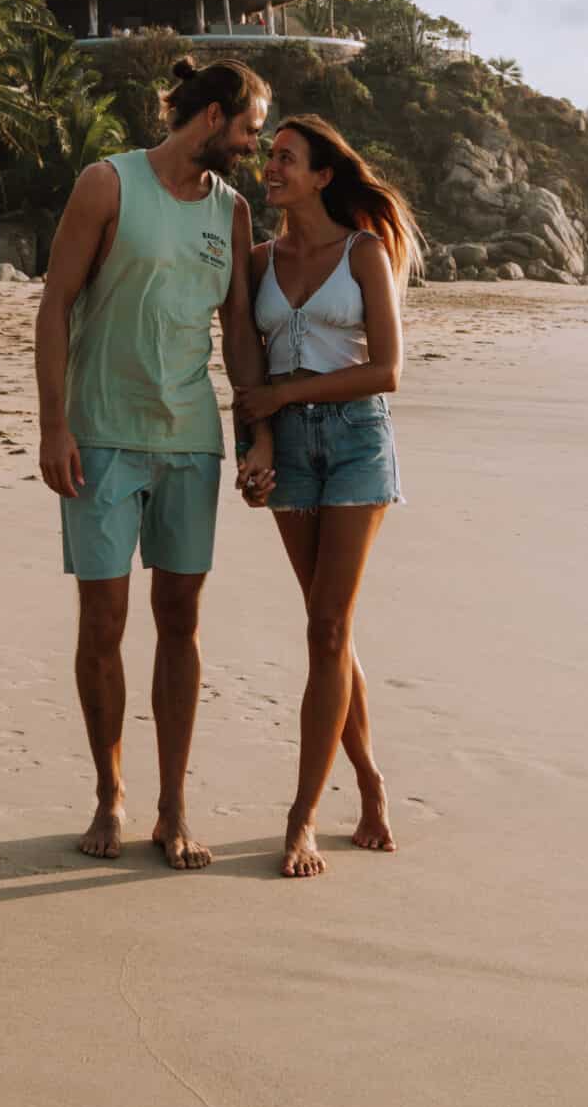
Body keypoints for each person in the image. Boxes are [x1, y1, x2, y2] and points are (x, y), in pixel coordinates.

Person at [36, 56, 275, 869]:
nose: (255, 143)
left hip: (189, 445)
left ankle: (174, 804)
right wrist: (52, 427)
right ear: (212, 117)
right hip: (100, 437)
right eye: (249, 128)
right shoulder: (107, 184)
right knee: (102, 623)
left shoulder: (233, 212)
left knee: (181, 620)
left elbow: (238, 329)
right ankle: (110, 793)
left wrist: (254, 434)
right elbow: (55, 305)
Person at [235, 116, 422, 880]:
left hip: (354, 443)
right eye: (270, 155)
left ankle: (302, 815)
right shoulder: (256, 261)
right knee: (329, 634)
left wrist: (289, 397)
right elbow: (244, 369)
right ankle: (372, 782)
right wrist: (257, 442)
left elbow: (388, 370)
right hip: (288, 450)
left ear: (321, 176)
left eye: (287, 159)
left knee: (325, 624)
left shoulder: (364, 253)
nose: (271, 167)